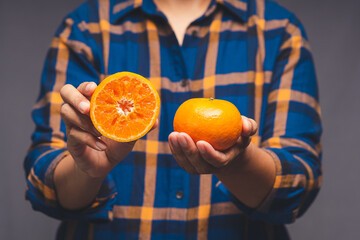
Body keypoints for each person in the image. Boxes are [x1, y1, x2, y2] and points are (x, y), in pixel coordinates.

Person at [24, 0, 322, 239]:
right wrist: (86, 171)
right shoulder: (84, 28)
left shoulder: (279, 30)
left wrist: (239, 163)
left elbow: (299, 185)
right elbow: (44, 186)